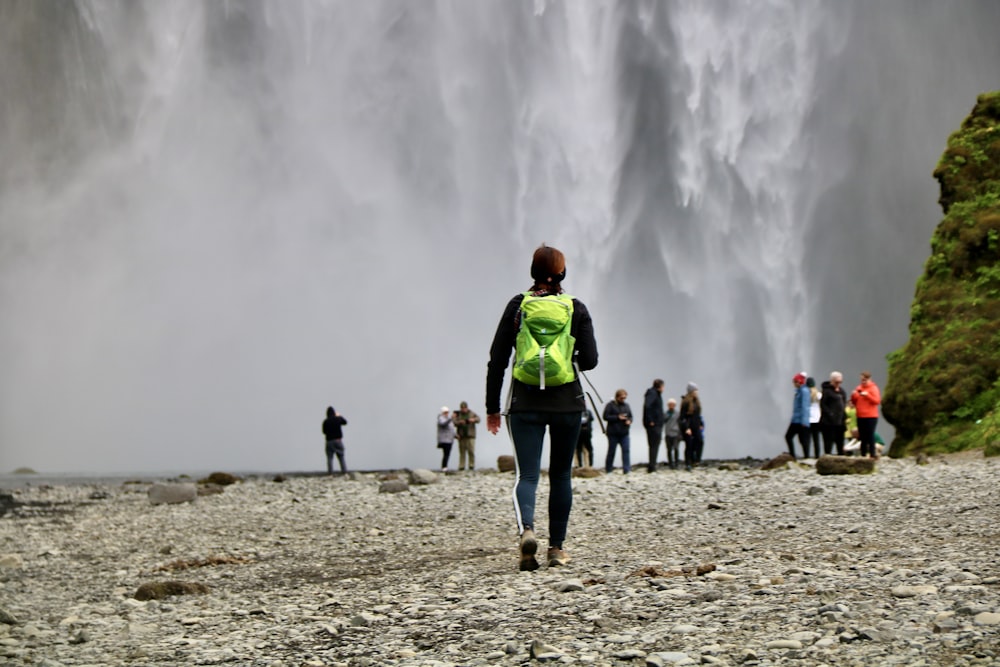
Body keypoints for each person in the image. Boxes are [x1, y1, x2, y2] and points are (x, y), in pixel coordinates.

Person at [485, 244, 598, 571]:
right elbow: (590, 361)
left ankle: (527, 532)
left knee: (528, 474)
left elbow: (498, 360)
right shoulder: (576, 307)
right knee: (562, 475)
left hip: (525, 403)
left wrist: (492, 407)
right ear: (563, 273)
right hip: (568, 404)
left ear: (533, 273)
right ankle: (557, 549)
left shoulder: (518, 305)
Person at [850, 371, 882, 459]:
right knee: (862, 436)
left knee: (870, 434)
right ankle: (863, 454)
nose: (863, 381)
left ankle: (872, 454)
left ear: (869, 379)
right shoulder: (858, 388)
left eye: (865, 380)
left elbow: (877, 401)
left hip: (871, 416)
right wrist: (853, 396)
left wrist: (867, 395)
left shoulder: (873, 388)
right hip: (860, 416)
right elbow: (854, 402)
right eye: (862, 380)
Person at [603, 389, 633, 474]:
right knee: (611, 451)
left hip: (624, 433)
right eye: (621, 398)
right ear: (617, 397)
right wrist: (617, 417)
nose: (623, 399)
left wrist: (629, 421)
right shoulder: (610, 405)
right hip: (613, 433)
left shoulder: (626, 406)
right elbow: (605, 416)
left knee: (626, 450)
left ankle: (627, 469)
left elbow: (631, 416)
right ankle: (609, 469)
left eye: (624, 398)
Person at [820, 371, 848, 455]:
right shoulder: (826, 391)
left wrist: (844, 417)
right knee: (828, 443)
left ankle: (841, 459)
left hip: (840, 423)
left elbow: (844, 404)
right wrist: (830, 414)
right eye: (836, 382)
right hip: (828, 423)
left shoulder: (842, 391)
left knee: (840, 443)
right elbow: (823, 405)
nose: (838, 384)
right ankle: (827, 459)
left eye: (840, 382)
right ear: (832, 381)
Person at [785, 373, 811, 458]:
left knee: (790, 437)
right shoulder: (799, 391)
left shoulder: (804, 391)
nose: (793, 383)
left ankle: (797, 456)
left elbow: (805, 407)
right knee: (801, 440)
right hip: (796, 419)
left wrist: (804, 422)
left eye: (795, 381)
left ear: (799, 382)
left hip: (800, 420)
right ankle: (802, 456)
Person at [679, 382, 703, 470]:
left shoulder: (697, 402)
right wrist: (686, 428)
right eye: (695, 390)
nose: (697, 392)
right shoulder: (685, 402)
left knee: (700, 441)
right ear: (691, 391)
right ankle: (688, 463)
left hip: (696, 425)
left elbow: (698, 415)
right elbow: (682, 417)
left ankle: (696, 460)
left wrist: (701, 424)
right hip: (688, 426)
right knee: (689, 445)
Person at [643, 379, 665, 473]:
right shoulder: (653, 393)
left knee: (655, 444)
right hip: (654, 424)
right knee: (654, 445)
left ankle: (652, 465)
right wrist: (650, 420)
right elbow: (647, 406)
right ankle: (652, 466)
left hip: (657, 423)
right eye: (663, 386)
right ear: (659, 386)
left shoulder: (655, 394)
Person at [453, 401, 481, 472]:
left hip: (470, 436)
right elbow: (454, 422)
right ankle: (461, 466)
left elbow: (478, 419)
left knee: (471, 451)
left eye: (464, 408)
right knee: (462, 452)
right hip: (462, 436)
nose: (463, 409)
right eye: (462, 408)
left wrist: (473, 420)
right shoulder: (458, 414)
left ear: (467, 407)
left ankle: (471, 465)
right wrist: (460, 422)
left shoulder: (472, 413)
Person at [322, 406, 348, 475]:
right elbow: (345, 422)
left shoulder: (325, 421)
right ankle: (344, 472)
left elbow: (324, 432)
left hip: (329, 441)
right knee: (341, 456)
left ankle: (330, 473)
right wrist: (339, 416)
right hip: (338, 440)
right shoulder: (337, 419)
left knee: (330, 458)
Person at [663, 398, 681, 469]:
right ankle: (671, 463)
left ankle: (676, 463)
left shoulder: (677, 414)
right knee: (669, 449)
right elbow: (663, 421)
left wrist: (680, 433)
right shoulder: (665, 413)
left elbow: (680, 423)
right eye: (670, 404)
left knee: (676, 448)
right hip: (668, 434)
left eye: (673, 404)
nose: (671, 406)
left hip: (676, 433)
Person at [806, 377, 822, 458]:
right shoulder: (819, 394)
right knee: (816, 439)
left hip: (808, 419)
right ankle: (817, 456)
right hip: (817, 419)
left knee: (807, 439)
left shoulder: (805, 394)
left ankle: (807, 455)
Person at [437, 406, 455, 472]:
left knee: (447, 453)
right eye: (445, 412)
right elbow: (443, 424)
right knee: (446, 453)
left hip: (450, 440)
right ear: (442, 412)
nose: (446, 413)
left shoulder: (449, 419)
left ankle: (445, 466)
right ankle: (444, 467)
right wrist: (451, 418)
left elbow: (451, 429)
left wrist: (455, 435)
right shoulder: (441, 418)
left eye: (447, 412)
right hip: (444, 440)